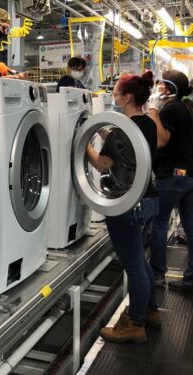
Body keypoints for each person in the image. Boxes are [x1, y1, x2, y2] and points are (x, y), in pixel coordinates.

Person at [86, 71, 160, 343]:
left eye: (116, 94)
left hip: (127, 204)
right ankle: (151, 311)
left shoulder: (119, 132)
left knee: (134, 266)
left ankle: (136, 323)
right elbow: (129, 148)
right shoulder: (149, 123)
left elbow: (102, 164)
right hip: (150, 200)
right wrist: (106, 132)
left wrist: (82, 144)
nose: (114, 97)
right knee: (141, 260)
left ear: (127, 97)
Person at [148, 69, 193, 292]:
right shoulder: (185, 107)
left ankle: (157, 274)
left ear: (170, 88)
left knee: (159, 222)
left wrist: (154, 110)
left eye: (162, 84)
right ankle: (191, 280)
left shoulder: (172, 108)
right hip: (188, 175)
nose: (158, 87)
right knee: (191, 227)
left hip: (173, 175)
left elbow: (162, 140)